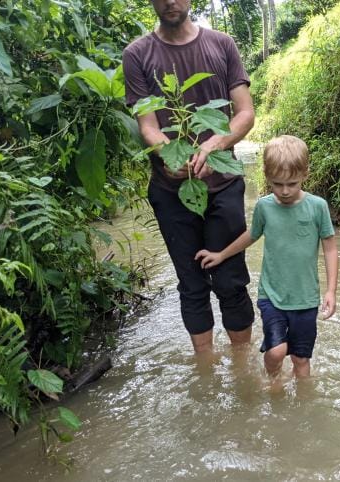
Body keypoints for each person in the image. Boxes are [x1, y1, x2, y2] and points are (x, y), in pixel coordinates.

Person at [122, 0, 256, 354]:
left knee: (231, 280)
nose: (170, 1)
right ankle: (205, 368)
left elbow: (245, 112)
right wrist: (171, 154)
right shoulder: (137, 54)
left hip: (224, 185)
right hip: (170, 191)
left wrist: (216, 143)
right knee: (191, 283)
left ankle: (242, 365)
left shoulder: (222, 44)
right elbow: (147, 125)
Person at [195, 135, 339, 378]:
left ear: (305, 174)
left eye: (292, 183)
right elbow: (251, 235)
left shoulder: (317, 207)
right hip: (271, 296)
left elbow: (330, 248)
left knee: (301, 359)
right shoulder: (264, 206)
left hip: (305, 299)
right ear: (266, 176)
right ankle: (273, 380)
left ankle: (303, 399)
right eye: (277, 184)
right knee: (276, 351)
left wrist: (331, 291)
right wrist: (221, 255)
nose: (285, 191)